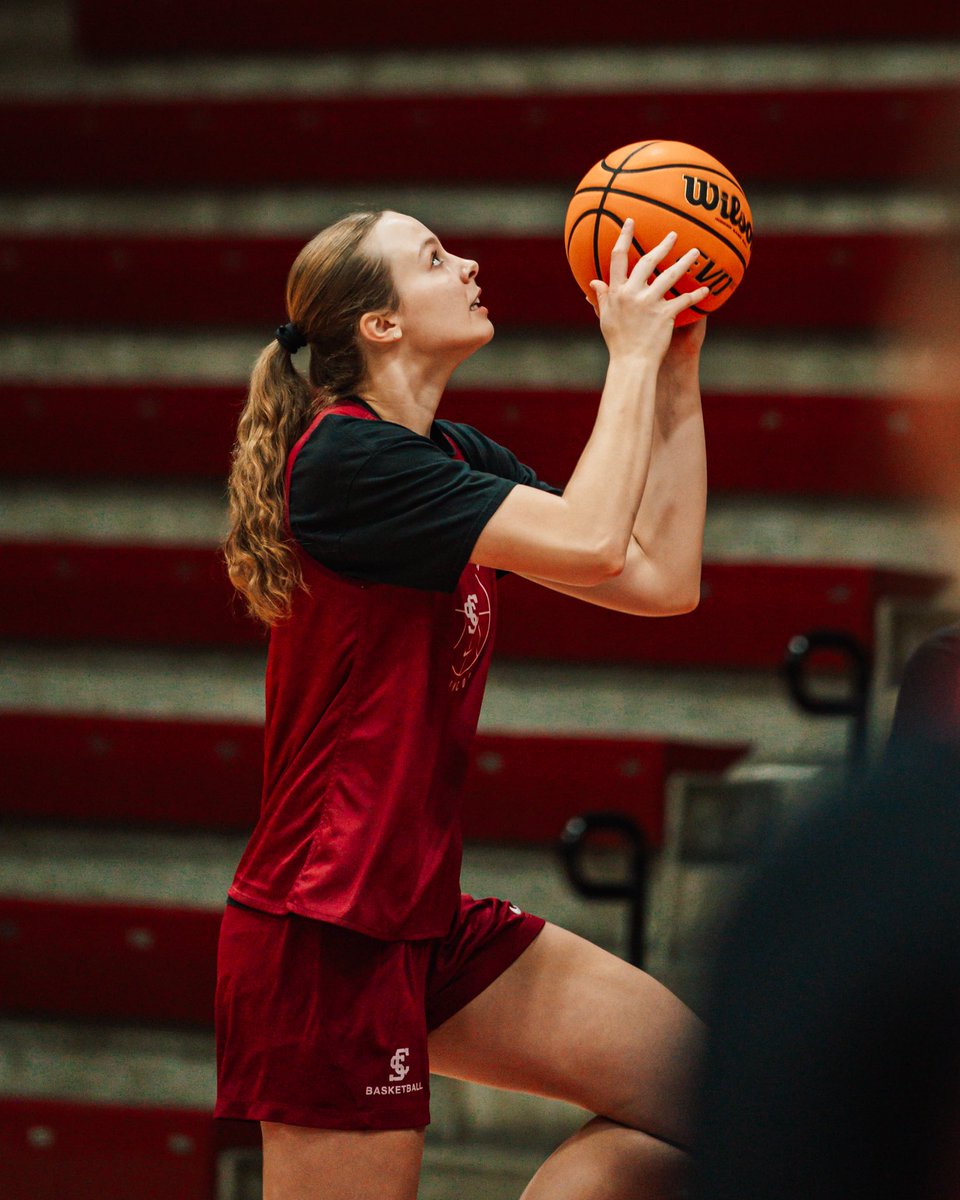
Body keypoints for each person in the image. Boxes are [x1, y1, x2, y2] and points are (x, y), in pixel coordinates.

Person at [215, 209, 712, 1200]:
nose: (471, 263)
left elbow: (660, 580)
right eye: (436, 258)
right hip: (328, 936)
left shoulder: (447, 454)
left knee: (723, 1099)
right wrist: (627, 351)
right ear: (382, 326)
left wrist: (674, 370)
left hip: (424, 920)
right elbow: (592, 539)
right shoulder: (344, 462)